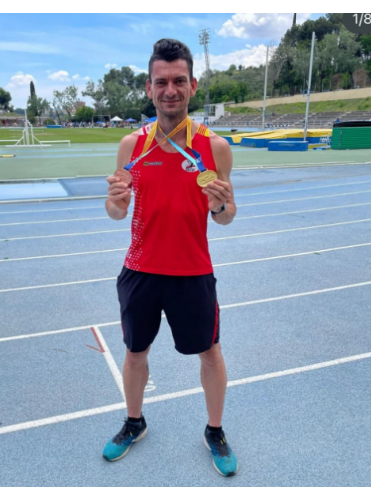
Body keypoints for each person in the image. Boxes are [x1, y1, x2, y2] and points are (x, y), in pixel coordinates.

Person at [102, 38, 237, 477]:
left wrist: (220, 204)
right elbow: (116, 211)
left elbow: (226, 216)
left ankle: (214, 430)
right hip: (140, 270)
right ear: (149, 87)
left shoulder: (213, 147)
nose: (170, 89)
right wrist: (116, 199)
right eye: (162, 81)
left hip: (193, 273)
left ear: (193, 86)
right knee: (135, 352)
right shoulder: (132, 145)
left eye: (179, 80)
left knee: (210, 354)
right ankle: (134, 422)